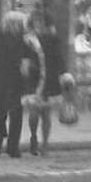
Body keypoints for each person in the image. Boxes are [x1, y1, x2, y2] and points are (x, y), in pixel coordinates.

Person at [0, 10, 43, 158]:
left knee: (6, 113)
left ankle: (4, 145)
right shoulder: (10, 37)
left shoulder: (10, 37)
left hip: (7, 80)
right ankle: (6, 145)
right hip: (8, 80)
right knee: (7, 114)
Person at [26, 11, 64, 156]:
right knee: (34, 113)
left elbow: (59, 58)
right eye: (36, 22)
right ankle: (34, 137)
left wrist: (64, 75)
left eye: (41, 22)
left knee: (46, 114)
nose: (38, 25)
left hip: (49, 79)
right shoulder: (28, 40)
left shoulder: (53, 39)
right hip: (34, 80)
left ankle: (45, 145)